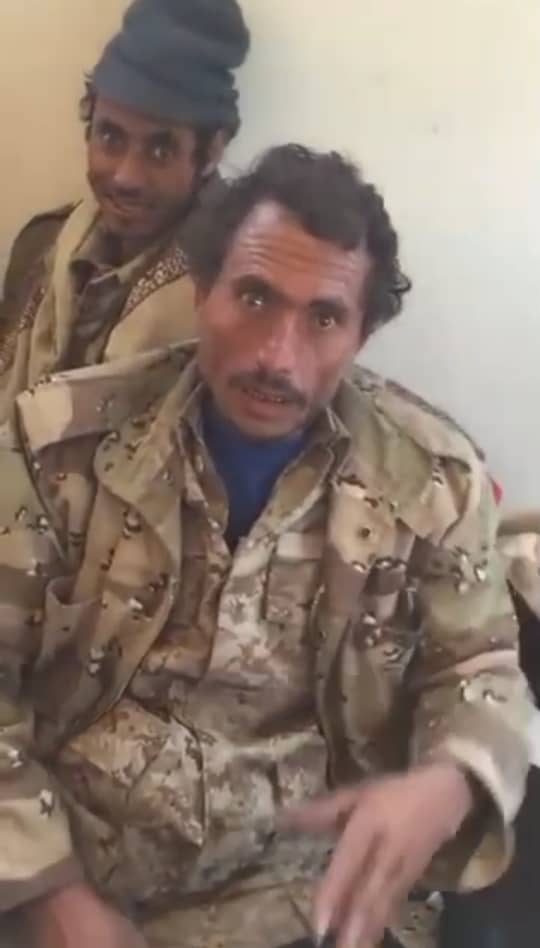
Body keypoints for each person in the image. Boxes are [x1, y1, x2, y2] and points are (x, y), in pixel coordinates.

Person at [0, 144, 532, 948]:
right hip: (74, 872)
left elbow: (480, 668)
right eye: (253, 297)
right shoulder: (57, 447)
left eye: (324, 317)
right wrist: (49, 893)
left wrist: (451, 777)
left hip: (308, 896)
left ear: (361, 333)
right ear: (202, 290)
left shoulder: (432, 480)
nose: (277, 357)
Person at [0, 0, 250, 423]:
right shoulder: (41, 247)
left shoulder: (232, 292)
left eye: (160, 150)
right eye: (110, 138)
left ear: (211, 152)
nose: (125, 177)